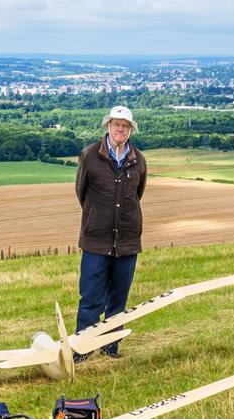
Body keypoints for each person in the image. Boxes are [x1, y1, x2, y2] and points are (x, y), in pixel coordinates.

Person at [73, 105, 147, 361]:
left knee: (118, 300)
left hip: (127, 241)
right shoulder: (90, 155)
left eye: (125, 126)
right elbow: (81, 192)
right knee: (91, 298)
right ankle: (82, 350)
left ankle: (110, 348)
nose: (120, 129)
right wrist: (97, 217)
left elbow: (138, 195)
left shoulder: (138, 159)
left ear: (130, 130)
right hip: (96, 240)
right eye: (116, 124)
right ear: (107, 126)